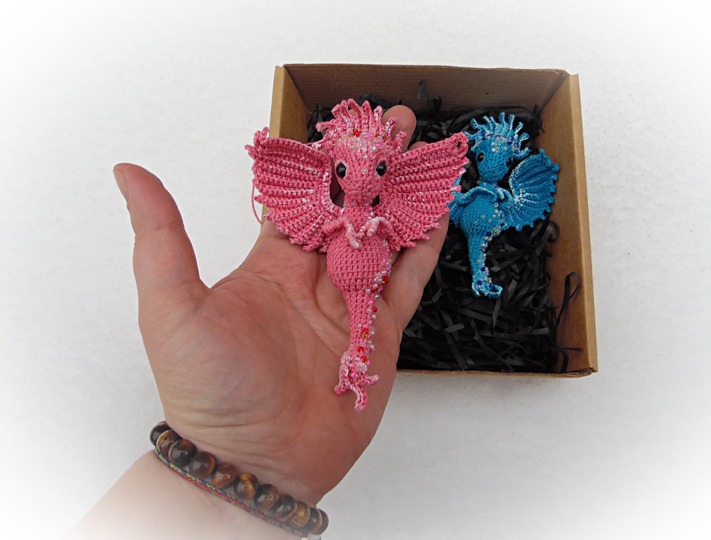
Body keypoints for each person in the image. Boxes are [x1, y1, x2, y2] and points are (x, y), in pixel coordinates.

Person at [68, 106, 446, 539]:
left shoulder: (383, 216)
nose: (359, 181)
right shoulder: (328, 216)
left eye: (378, 169)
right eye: (344, 170)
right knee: (361, 324)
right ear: (336, 170)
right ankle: (354, 365)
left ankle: (355, 363)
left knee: (364, 323)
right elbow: (330, 228)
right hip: (347, 273)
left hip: (369, 279)